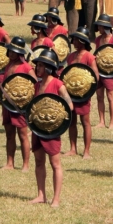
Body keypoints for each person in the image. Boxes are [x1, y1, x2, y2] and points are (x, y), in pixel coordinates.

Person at [30, 49, 73, 207]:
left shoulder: (58, 84)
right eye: (37, 65)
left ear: (48, 67)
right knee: (39, 161)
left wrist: (56, 117)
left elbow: (69, 105)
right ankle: (41, 195)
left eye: (41, 65)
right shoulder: (37, 85)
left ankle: (56, 198)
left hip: (52, 129)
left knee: (55, 163)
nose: (37, 68)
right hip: (38, 128)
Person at [0, 38, 34, 171]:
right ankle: (10, 163)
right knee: (9, 135)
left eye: (13, 51)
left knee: (23, 135)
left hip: (20, 107)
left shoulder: (26, 67)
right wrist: (2, 97)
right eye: (10, 51)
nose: (11, 53)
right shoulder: (8, 65)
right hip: (8, 106)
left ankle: (26, 165)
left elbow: (34, 84)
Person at [65, 27, 99, 158]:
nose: (73, 41)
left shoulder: (89, 57)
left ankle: (86, 151)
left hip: (83, 94)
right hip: (70, 93)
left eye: (75, 39)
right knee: (71, 121)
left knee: (85, 121)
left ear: (81, 41)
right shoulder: (71, 56)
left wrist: (88, 91)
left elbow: (95, 75)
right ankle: (73, 148)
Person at [94, 14, 113, 129]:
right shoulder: (98, 39)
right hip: (99, 71)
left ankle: (112, 122)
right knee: (99, 96)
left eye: (100, 26)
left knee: (110, 96)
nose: (98, 29)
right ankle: (101, 121)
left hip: (109, 72)